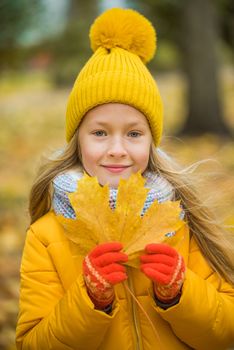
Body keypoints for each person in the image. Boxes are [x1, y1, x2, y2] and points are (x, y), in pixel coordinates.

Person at [16, 7, 234, 350]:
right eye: (100, 133)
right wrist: (89, 301)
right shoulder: (46, 236)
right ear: (77, 140)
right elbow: (32, 343)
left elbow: (224, 334)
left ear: (152, 142)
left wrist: (180, 294)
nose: (117, 149)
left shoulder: (177, 220)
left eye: (134, 134)